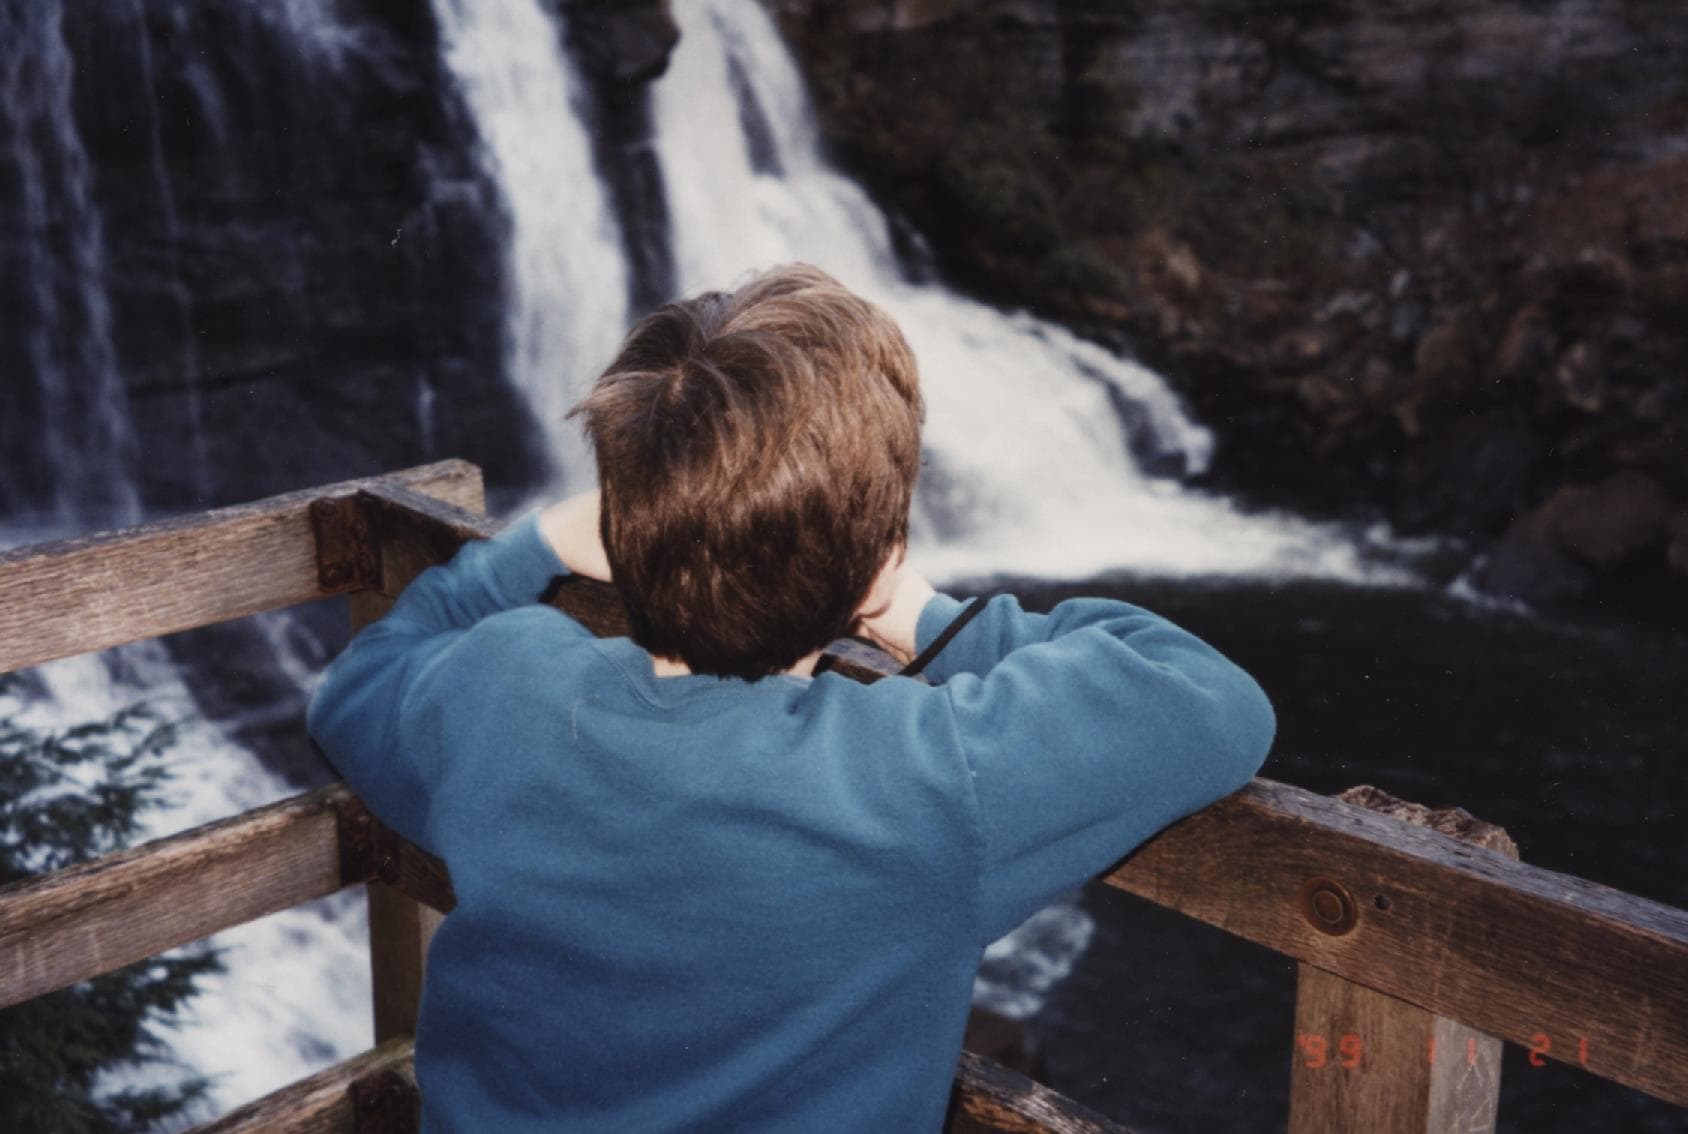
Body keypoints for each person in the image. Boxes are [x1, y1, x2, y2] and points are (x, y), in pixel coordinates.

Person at [307, 263, 1275, 1132]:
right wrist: (921, 614)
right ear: (870, 573)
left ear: (624, 521)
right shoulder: (925, 780)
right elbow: (1206, 698)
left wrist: (534, 546)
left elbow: (355, 690)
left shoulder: (504, 689)